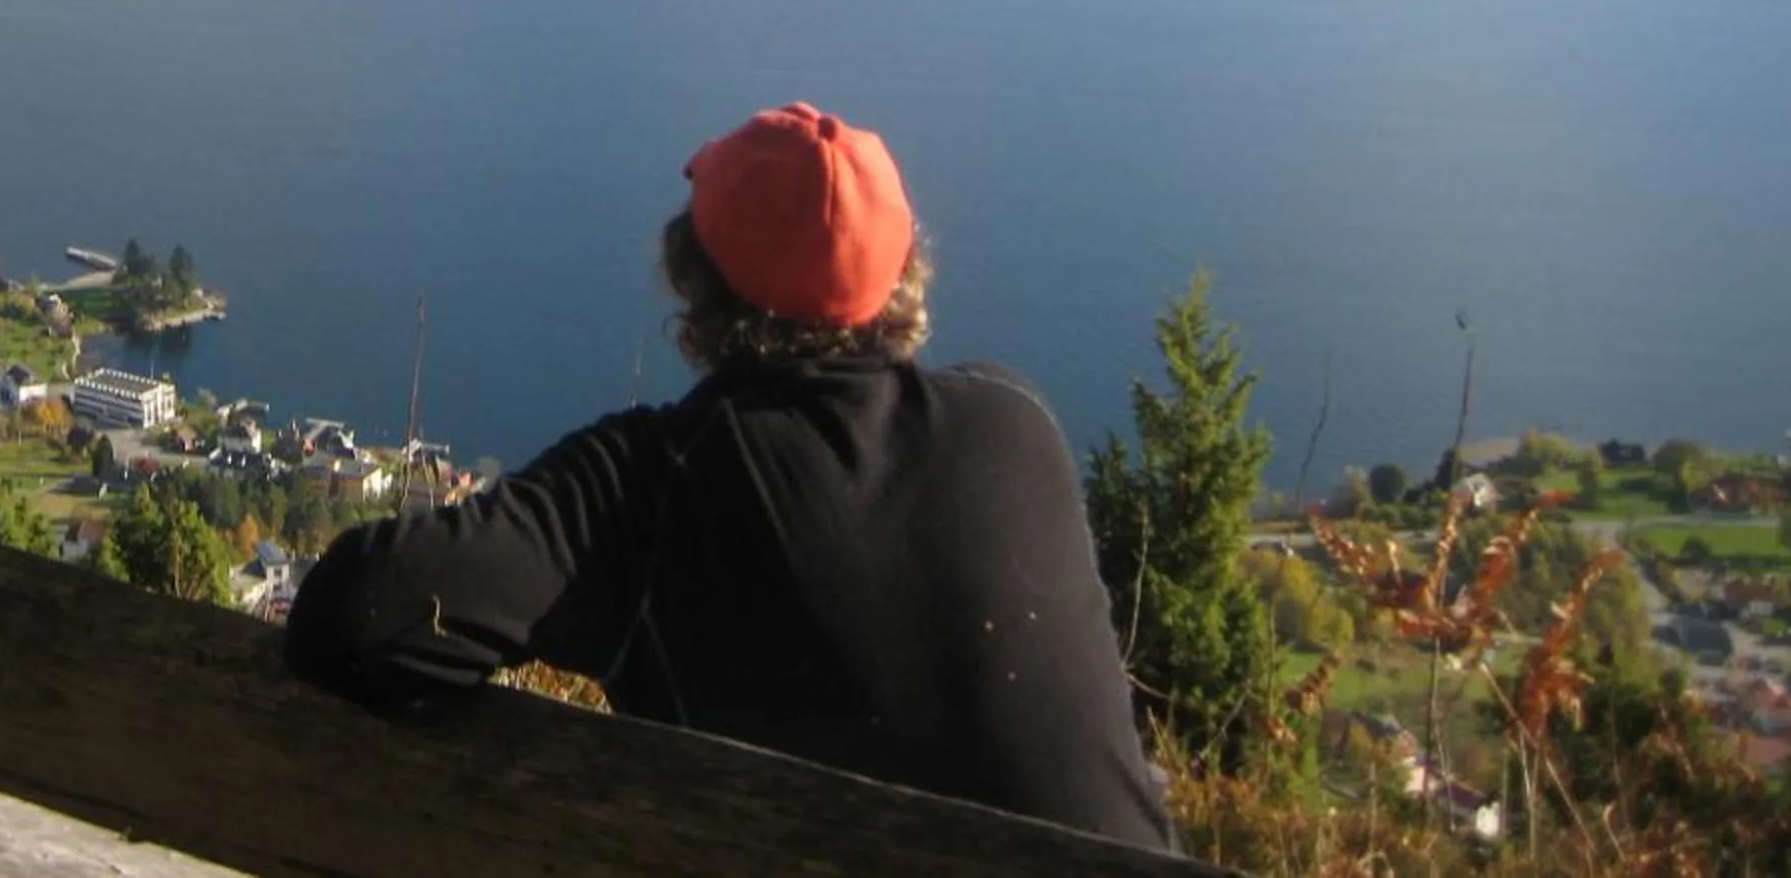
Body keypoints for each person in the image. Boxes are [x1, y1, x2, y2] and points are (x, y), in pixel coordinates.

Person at [283, 101, 1172, 851]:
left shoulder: (648, 490)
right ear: (903, 270)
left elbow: (356, 615)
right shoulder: (1015, 422)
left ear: (695, 281)